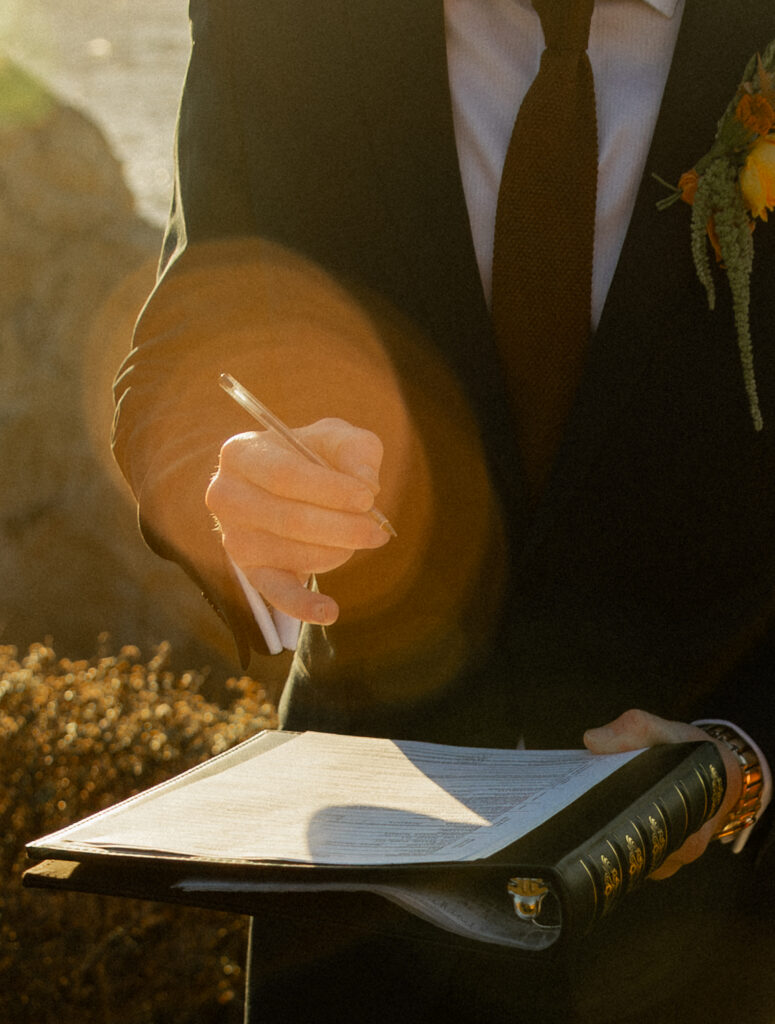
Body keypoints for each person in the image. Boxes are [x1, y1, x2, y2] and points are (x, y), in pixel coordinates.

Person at [112, 0, 775, 1020]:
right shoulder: (276, 23)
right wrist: (235, 490)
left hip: (722, 930)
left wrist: (744, 760)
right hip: (353, 911)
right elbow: (190, 345)